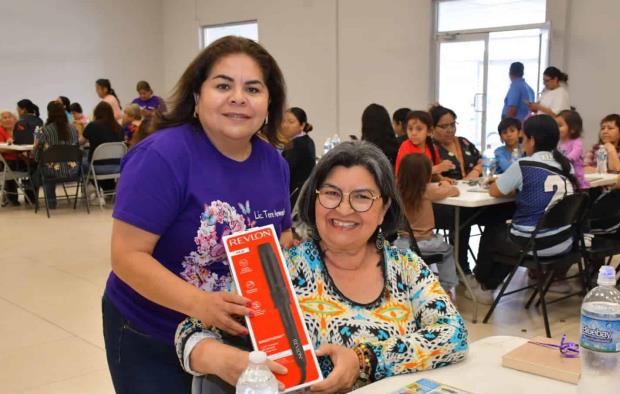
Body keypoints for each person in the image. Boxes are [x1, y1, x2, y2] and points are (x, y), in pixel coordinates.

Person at [176, 141, 469, 392]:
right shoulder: (278, 269)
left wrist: (363, 361)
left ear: (384, 209)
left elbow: (453, 334)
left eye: (362, 197)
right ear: (314, 199)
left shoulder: (405, 267)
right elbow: (191, 330)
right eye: (331, 193)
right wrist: (223, 360)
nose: (343, 209)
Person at [102, 36, 294, 394]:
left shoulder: (275, 164)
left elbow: (279, 242)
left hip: (231, 335)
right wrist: (200, 304)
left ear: (269, 104)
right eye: (223, 85)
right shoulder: (161, 157)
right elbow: (126, 256)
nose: (238, 97)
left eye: (253, 88)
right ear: (196, 97)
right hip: (151, 328)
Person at [472, 115, 578, 303]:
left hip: (536, 245)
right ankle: (492, 283)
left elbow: (495, 191)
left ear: (532, 140)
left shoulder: (524, 165)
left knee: (495, 230)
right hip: (564, 242)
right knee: (514, 234)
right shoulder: (566, 165)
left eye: (523, 139)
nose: (523, 144)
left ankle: (484, 284)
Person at [396, 153, 460, 300]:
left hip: (401, 243)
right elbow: (454, 191)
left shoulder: (397, 190)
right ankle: (446, 289)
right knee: (448, 250)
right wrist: (445, 184)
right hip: (424, 243)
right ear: (426, 175)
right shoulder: (427, 190)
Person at [30, 101, 79, 209]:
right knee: (48, 164)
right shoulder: (74, 129)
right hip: (73, 170)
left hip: (51, 171)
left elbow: (37, 156)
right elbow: (77, 148)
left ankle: (51, 202)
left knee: (43, 168)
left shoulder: (44, 130)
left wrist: (33, 154)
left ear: (49, 113)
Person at [81, 102, 125, 193]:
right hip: (117, 166)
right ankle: (108, 189)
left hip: (97, 167)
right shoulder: (119, 127)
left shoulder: (92, 125)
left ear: (96, 113)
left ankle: (95, 191)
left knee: (81, 162)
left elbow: (81, 142)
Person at [430, 104, 482, 180]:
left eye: (452, 125)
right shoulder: (429, 147)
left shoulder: (464, 142)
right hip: (446, 189)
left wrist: (476, 171)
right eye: (444, 126)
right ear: (432, 128)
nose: (450, 130)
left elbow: (484, 160)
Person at [395, 110, 454, 176]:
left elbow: (434, 175)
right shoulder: (405, 146)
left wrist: (442, 180)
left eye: (419, 129)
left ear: (429, 131)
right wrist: (436, 168)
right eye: (410, 129)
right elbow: (408, 174)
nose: (413, 133)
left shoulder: (432, 148)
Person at [280, 106, 316, 206]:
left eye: (291, 122)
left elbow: (282, 171)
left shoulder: (297, 144)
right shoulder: (307, 140)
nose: (285, 125)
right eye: (283, 121)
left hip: (294, 198)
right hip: (301, 196)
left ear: (302, 125)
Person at [556, 109, 589, 188]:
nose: (556, 128)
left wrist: (562, 160)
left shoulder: (576, 142)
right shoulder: (559, 143)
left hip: (576, 179)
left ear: (572, 129)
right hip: (564, 177)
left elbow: (574, 155)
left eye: (560, 125)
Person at [0, 110, 21, 206]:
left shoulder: (19, 129)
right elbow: (2, 149)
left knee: (33, 163)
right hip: (6, 161)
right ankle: (12, 198)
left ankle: (32, 196)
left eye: (9, 117)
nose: (8, 119)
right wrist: (17, 151)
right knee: (10, 165)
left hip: (20, 158)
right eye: (4, 117)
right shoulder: (0, 130)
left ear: (14, 119)